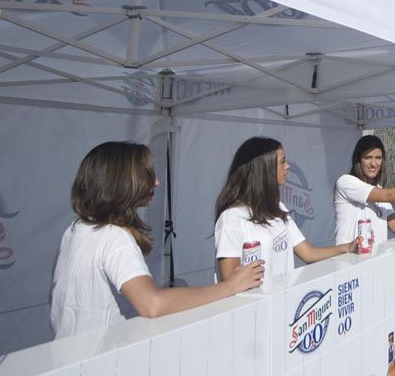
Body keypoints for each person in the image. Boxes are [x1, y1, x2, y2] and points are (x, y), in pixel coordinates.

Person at [51, 142, 264, 339]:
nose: (156, 181)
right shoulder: (114, 237)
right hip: (102, 365)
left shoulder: (76, 229)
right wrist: (230, 286)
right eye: (148, 174)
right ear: (123, 181)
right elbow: (152, 304)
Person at [215, 137, 359, 283]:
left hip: (283, 302)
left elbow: (308, 253)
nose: (288, 166)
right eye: (282, 161)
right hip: (256, 305)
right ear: (264, 169)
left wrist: (348, 247)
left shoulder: (278, 207)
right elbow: (230, 283)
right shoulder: (231, 217)